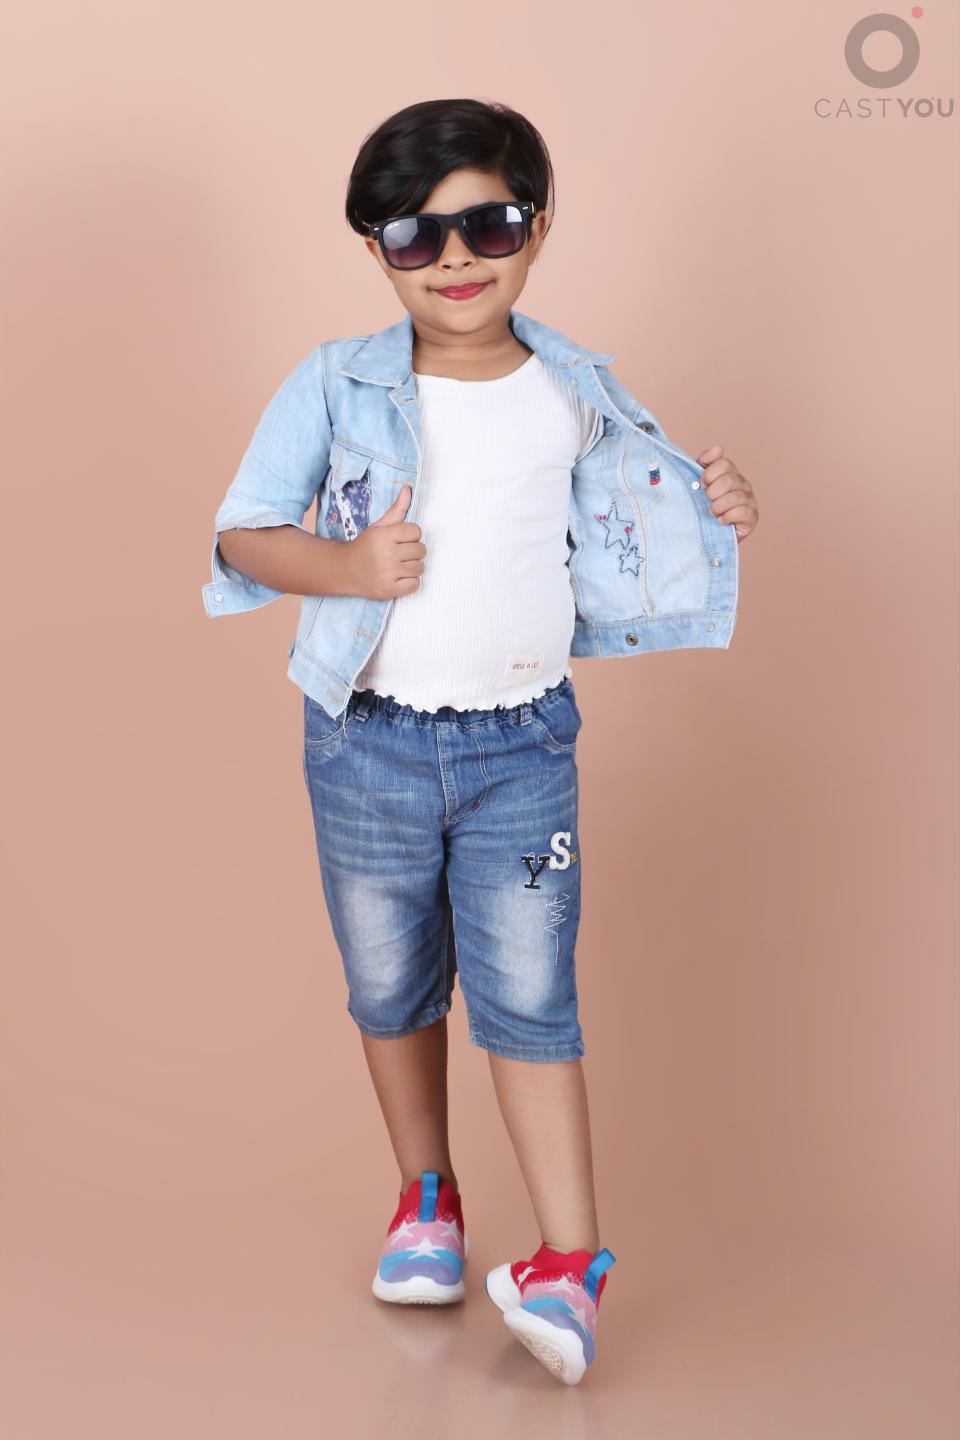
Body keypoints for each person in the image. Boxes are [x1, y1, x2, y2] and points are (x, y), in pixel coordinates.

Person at [201, 97, 759, 1385]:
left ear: (538, 226)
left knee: (530, 995)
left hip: (523, 749)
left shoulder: (576, 390)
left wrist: (721, 503)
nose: (455, 258)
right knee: (389, 985)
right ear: (377, 249)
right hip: (366, 743)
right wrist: (346, 565)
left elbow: (647, 518)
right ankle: (427, 1199)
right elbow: (241, 533)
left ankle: (571, 1262)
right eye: (416, 234)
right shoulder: (334, 382)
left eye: (489, 224)